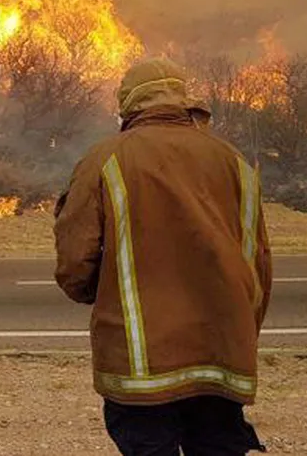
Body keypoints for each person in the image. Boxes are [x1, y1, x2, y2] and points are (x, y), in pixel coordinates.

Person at [53, 57, 273, 456]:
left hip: (142, 370)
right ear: (182, 99)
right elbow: (258, 265)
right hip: (222, 359)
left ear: (128, 105)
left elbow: (74, 261)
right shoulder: (234, 161)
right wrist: (239, 334)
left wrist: (98, 294)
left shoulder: (106, 158)